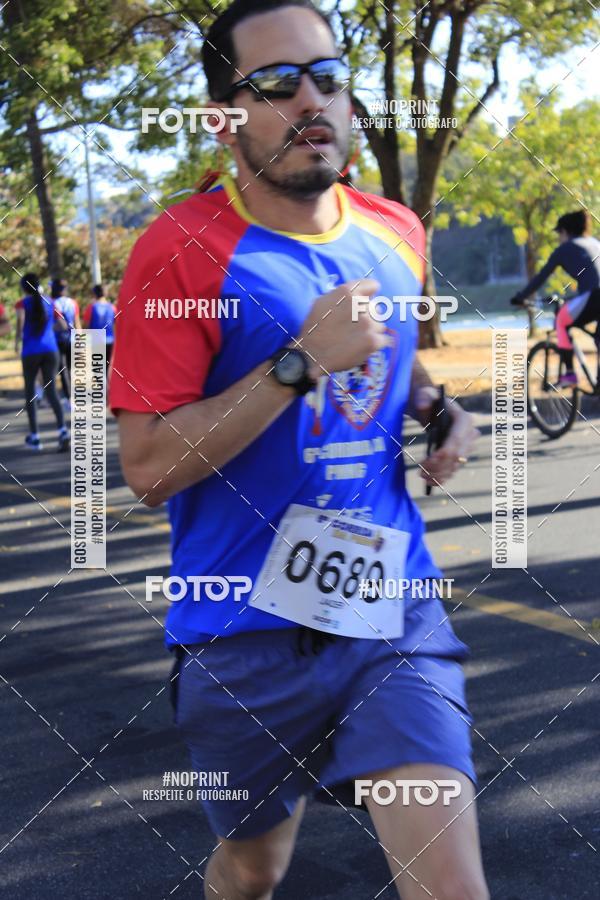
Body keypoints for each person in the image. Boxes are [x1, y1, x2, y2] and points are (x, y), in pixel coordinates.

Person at [111, 2, 486, 898]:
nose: (310, 99)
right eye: (276, 84)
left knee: (453, 888)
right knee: (254, 868)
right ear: (223, 117)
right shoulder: (178, 252)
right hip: (239, 633)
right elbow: (150, 469)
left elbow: (391, 360)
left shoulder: (396, 228)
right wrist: (299, 363)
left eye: (328, 76)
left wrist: (438, 407)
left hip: (386, 604)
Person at [510, 210, 600, 386]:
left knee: (561, 320)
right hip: (592, 294)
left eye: (559, 233)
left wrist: (520, 297)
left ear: (565, 231)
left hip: (594, 295)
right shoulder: (594, 243)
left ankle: (570, 374)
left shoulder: (564, 249)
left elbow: (541, 277)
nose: (559, 238)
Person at [14, 273, 70, 451]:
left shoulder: (23, 304)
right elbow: (62, 325)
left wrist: (17, 341)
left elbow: (21, 323)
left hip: (31, 350)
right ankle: (62, 431)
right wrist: (48, 330)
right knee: (52, 391)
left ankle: (35, 437)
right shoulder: (49, 302)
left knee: (30, 392)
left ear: (24, 288)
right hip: (50, 349)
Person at [51, 277, 81, 408]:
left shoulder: (52, 303)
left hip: (58, 339)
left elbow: (55, 323)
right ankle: (74, 396)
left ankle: (69, 398)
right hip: (73, 338)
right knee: (72, 368)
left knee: (63, 369)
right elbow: (77, 321)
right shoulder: (72, 303)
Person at [83, 284, 115, 372]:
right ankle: (107, 385)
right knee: (108, 368)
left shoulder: (91, 307)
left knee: (98, 370)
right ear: (106, 293)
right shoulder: (112, 307)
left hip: (96, 340)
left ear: (94, 294)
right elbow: (116, 324)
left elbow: (86, 325)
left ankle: (102, 385)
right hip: (110, 340)